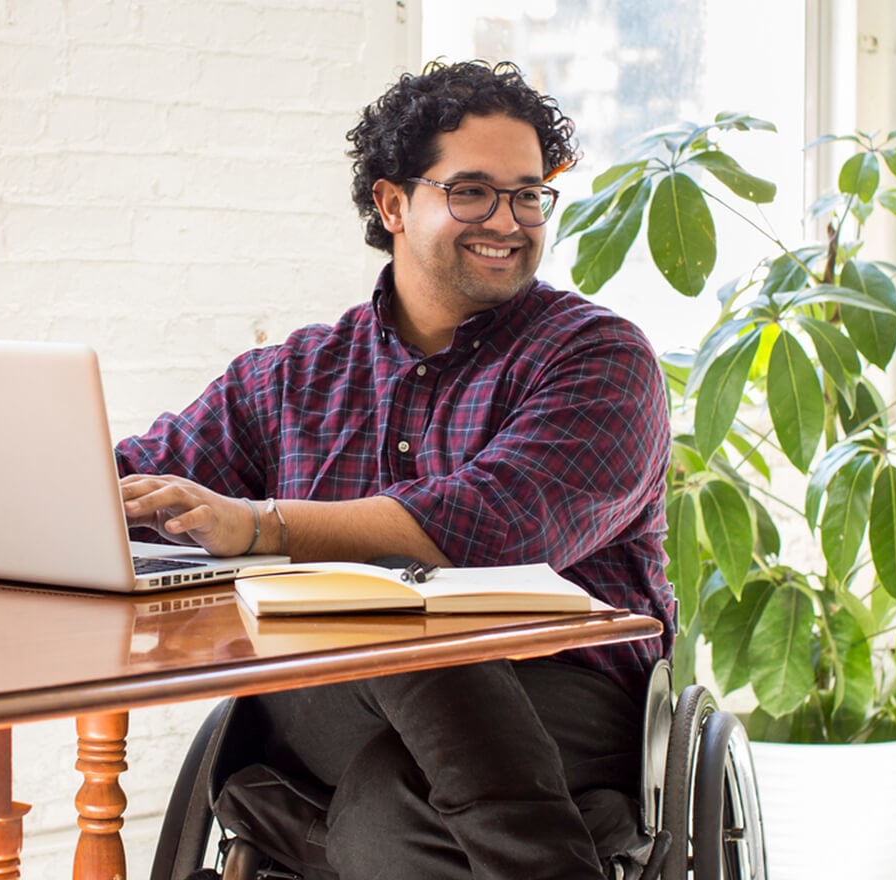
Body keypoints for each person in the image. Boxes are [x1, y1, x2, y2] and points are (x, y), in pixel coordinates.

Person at [117, 60, 673, 880]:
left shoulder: (597, 357)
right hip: (331, 692)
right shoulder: (291, 377)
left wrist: (266, 527)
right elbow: (138, 485)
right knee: (387, 626)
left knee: (390, 775)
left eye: (528, 194)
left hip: (569, 695)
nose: (510, 220)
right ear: (392, 203)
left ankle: (330, 837)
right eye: (473, 191)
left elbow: (499, 523)